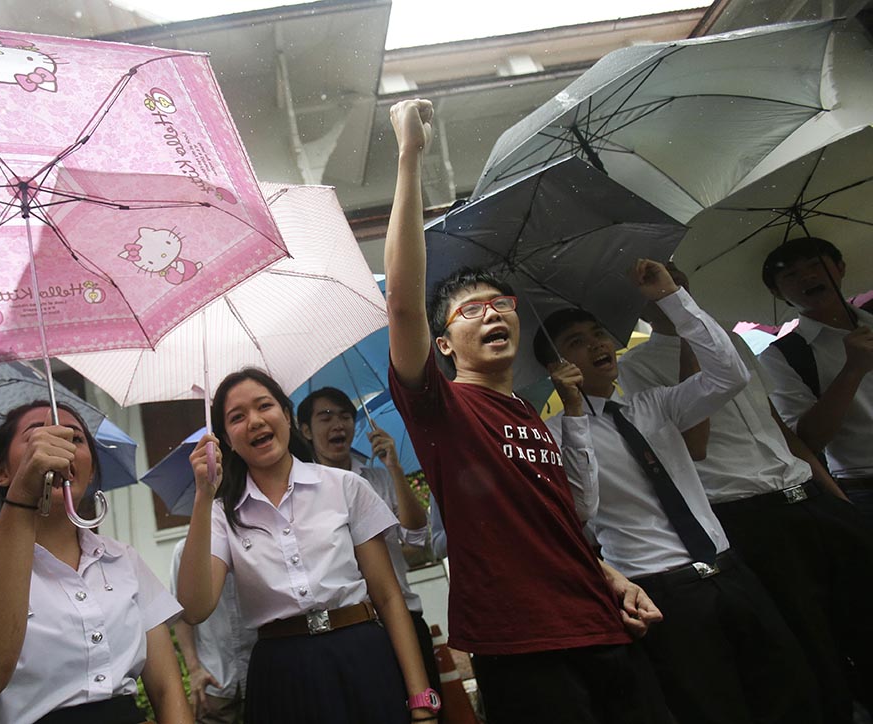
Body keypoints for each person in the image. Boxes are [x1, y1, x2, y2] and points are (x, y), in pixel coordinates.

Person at [384, 97, 667, 723]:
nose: (492, 312)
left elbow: (554, 523)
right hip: (524, 643)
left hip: (602, 623)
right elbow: (403, 306)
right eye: (470, 309)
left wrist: (610, 574)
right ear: (441, 345)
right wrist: (410, 156)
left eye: (501, 302)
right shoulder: (442, 407)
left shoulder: (532, 415)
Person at [537, 265, 821, 724]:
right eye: (575, 343)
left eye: (598, 334)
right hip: (661, 591)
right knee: (711, 707)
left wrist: (672, 298)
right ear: (556, 368)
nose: (596, 345)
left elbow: (729, 375)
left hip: (728, 567)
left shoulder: (653, 404)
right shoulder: (553, 435)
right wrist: (572, 416)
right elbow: (582, 510)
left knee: (789, 691)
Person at [620, 265, 873, 723]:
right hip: (745, 512)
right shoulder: (633, 370)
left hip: (805, 494)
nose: (668, 290)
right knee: (810, 640)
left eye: (674, 282)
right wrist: (685, 340)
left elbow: (777, 428)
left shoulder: (730, 344)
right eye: (655, 288)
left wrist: (835, 498)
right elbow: (693, 443)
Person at [176, 368, 436, 724]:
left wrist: (421, 696)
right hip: (281, 673)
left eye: (264, 406)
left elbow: (389, 597)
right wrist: (204, 496)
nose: (254, 421)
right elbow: (194, 608)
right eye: (237, 417)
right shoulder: (222, 514)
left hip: (362, 654)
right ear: (225, 440)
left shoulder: (345, 486)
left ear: (286, 415)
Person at [0, 402, 190, 724]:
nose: (59, 447)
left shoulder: (123, 559)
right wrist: (23, 497)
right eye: (37, 436)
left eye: (75, 439)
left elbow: (168, 690)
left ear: (92, 469)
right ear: (0, 472)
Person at [297, 387, 441, 697]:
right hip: (348, 628)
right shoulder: (300, 493)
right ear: (305, 430)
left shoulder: (377, 480)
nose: (338, 424)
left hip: (403, 616)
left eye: (346, 416)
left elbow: (415, 536)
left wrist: (394, 468)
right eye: (326, 417)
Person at [758, 236, 873, 524]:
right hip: (864, 483)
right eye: (790, 274)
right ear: (776, 291)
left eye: (816, 265)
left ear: (840, 267)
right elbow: (809, 439)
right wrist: (853, 370)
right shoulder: (784, 355)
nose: (807, 277)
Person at [169, 537, 255, 724]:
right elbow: (181, 616)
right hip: (215, 679)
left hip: (261, 673)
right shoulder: (185, 551)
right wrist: (194, 670)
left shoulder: (256, 541)